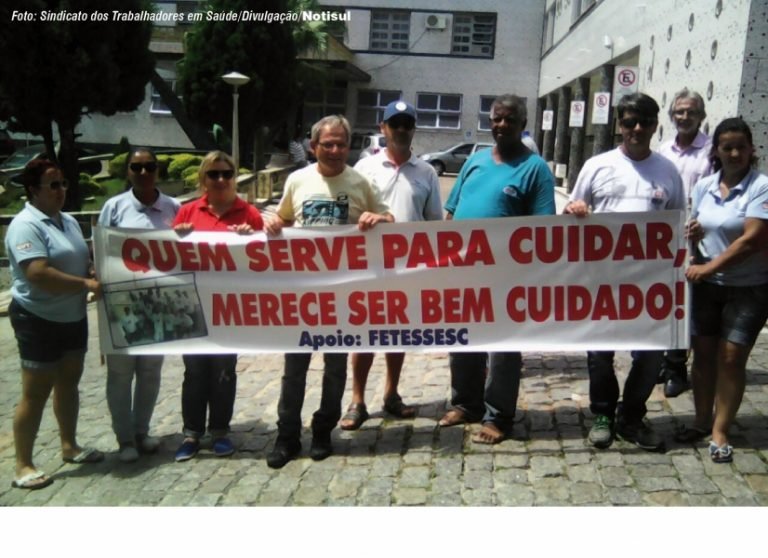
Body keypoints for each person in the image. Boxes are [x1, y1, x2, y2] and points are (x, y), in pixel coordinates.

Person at [264, 114, 394, 468]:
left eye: (341, 143)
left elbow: (390, 221)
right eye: (328, 144)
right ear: (313, 146)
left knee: (336, 368)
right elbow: (285, 220)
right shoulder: (297, 180)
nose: (335, 150)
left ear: (349, 146)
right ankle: (287, 436)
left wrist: (378, 219)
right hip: (303, 295)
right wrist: (274, 220)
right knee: (294, 369)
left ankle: (323, 429)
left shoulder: (361, 183)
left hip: (343, 298)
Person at [565, 93, 684, 452]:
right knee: (600, 353)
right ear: (619, 124)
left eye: (644, 122)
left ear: (654, 125)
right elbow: (571, 211)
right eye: (629, 121)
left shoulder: (668, 171)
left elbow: (676, 224)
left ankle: (631, 416)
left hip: (650, 283)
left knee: (649, 355)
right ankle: (603, 415)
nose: (636, 128)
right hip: (601, 279)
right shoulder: (597, 165)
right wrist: (577, 208)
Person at [440, 94, 555, 444]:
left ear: (522, 125)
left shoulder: (535, 168)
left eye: (509, 119)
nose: (501, 125)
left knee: (503, 348)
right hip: (463, 270)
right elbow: (450, 211)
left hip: (508, 276)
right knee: (462, 339)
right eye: (497, 118)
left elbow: (542, 228)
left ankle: (498, 416)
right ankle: (465, 404)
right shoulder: (475, 161)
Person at [338, 101, 443, 430]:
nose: (400, 129)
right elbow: (351, 215)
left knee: (398, 334)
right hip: (367, 266)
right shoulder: (364, 168)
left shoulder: (426, 172)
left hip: (406, 268)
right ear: (383, 128)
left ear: (413, 129)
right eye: (394, 123)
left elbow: (432, 223)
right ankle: (357, 400)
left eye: (406, 123)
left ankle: (391, 394)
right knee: (365, 336)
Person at [5, 159, 104, 489]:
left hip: (72, 317)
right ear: (33, 190)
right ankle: (22, 465)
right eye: (53, 185)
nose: (62, 190)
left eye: (63, 183)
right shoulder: (25, 225)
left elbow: (82, 259)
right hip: (38, 318)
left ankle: (69, 446)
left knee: (68, 384)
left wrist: (91, 272)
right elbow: (38, 274)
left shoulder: (68, 221)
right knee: (35, 393)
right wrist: (83, 284)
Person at [678, 118, 768, 463]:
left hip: (749, 288)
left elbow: (752, 239)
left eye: (741, 147)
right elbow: (698, 228)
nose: (734, 153)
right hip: (707, 287)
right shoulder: (704, 186)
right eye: (727, 147)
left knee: (731, 358)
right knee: (702, 356)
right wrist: (694, 232)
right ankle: (701, 420)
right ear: (716, 151)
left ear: (751, 149)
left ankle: (721, 430)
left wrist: (708, 267)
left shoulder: (761, 186)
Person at [172, 151, 264, 462]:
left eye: (227, 174)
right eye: (214, 174)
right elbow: (169, 259)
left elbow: (268, 262)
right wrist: (178, 239)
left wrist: (252, 239)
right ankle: (192, 433)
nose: (221, 180)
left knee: (224, 371)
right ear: (203, 179)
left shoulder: (248, 213)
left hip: (230, 306)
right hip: (193, 306)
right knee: (195, 372)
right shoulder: (186, 213)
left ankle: (220, 431)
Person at [98, 147, 180, 462]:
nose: (143, 172)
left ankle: (142, 431)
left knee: (150, 372)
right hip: (121, 303)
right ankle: (124, 439)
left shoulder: (173, 208)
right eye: (137, 167)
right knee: (120, 374)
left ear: (158, 170)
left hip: (161, 304)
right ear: (128, 171)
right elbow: (102, 253)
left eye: (149, 167)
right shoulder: (113, 208)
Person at [656, 88, 714, 397]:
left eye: (691, 112)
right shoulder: (664, 150)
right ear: (672, 116)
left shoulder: (711, 152)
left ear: (701, 116)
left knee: (685, 303)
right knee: (665, 299)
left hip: (698, 238)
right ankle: (664, 362)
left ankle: (677, 367)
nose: (685, 117)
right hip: (664, 239)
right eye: (679, 112)